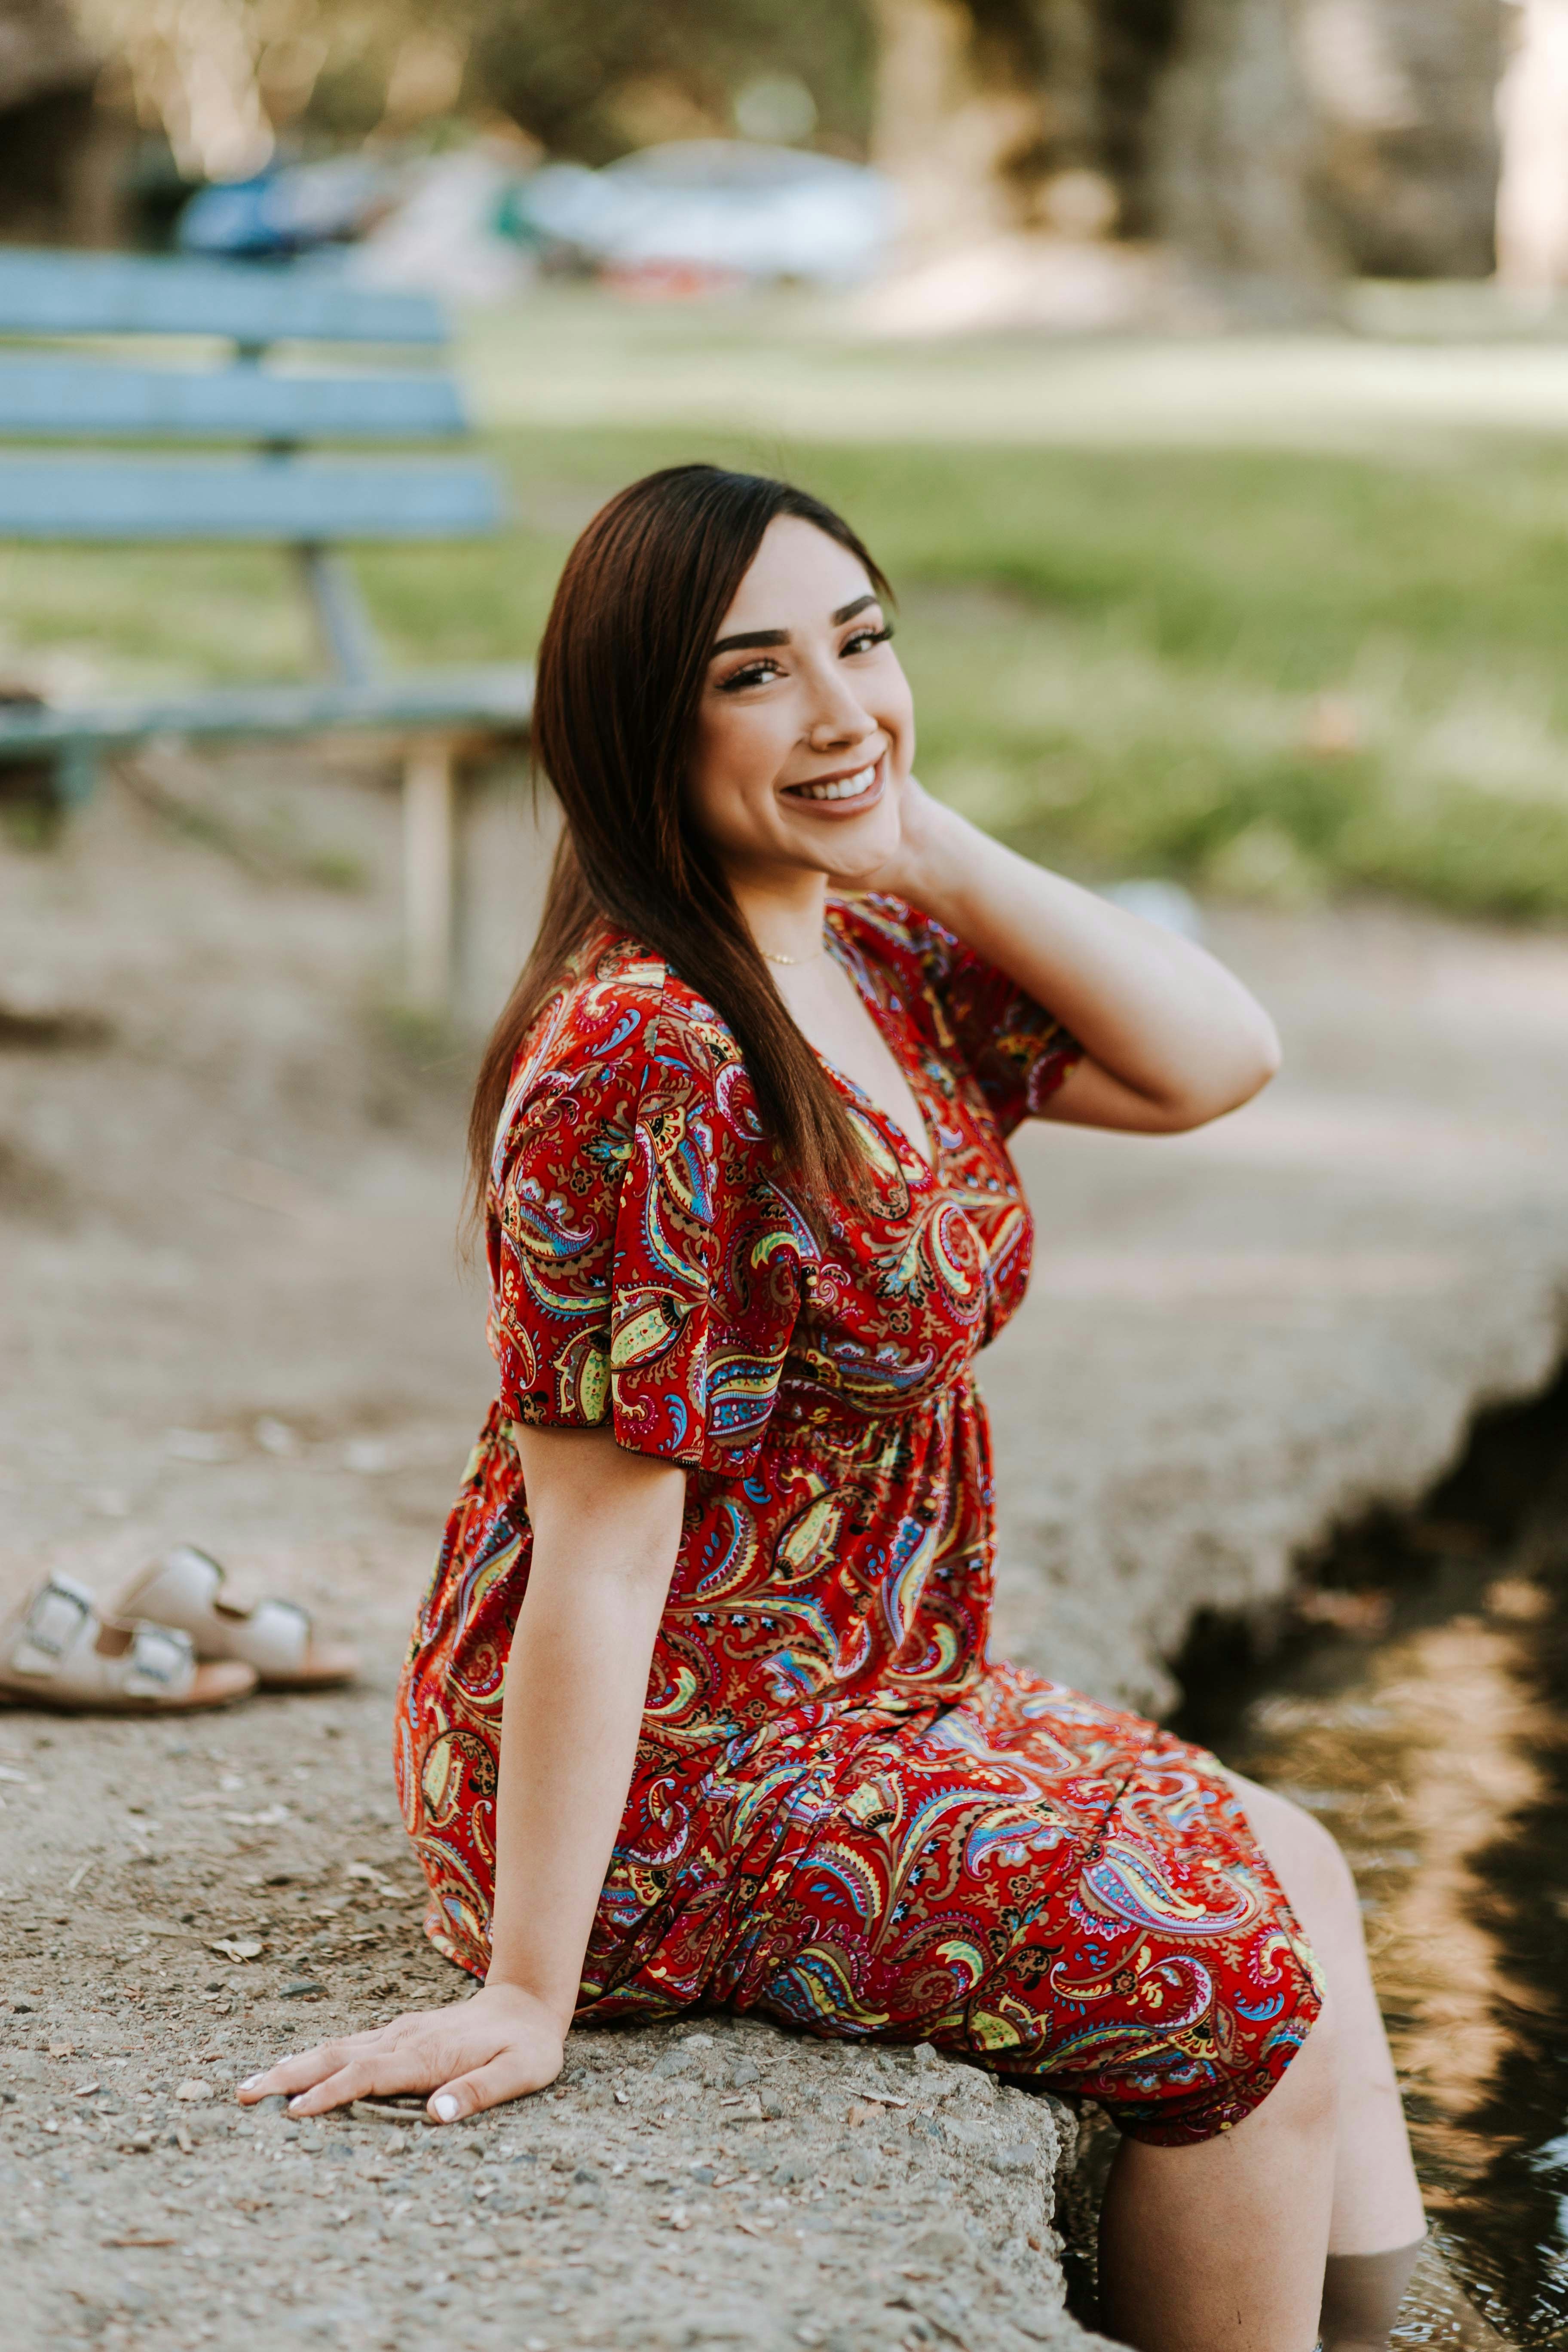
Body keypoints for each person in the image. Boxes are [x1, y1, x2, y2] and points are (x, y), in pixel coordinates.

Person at [239, 465, 1426, 2350]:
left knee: (1298, 1862)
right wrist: (530, 1991)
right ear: (640, 726)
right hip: (679, 1770)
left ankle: (1412, 2338)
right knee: (1225, 1978)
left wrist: (922, 834)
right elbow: (601, 1555)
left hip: (871, 1679)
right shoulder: (649, 1056)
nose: (838, 706)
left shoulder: (861, 948)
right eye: (754, 676)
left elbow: (1220, 1058)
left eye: (861, 645)